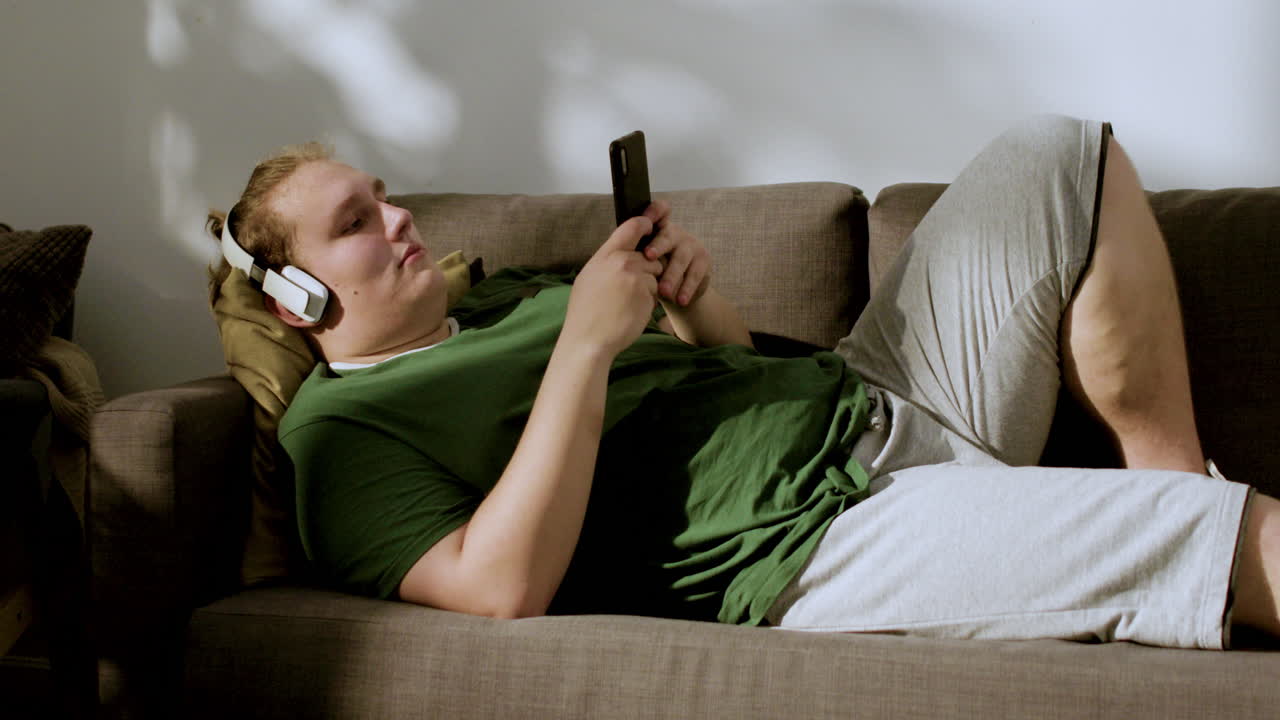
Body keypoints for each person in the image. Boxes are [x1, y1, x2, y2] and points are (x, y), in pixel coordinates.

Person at [207, 115, 1280, 649]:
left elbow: (716, 374)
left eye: (384, 197)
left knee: (1061, 153)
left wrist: (692, 309)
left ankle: (1168, 478)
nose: (399, 220)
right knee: (1236, 537)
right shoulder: (340, 436)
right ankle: (1186, 528)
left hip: (872, 393)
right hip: (813, 532)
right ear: (290, 301)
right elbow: (497, 587)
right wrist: (581, 349)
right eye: (354, 224)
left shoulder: (492, 300)